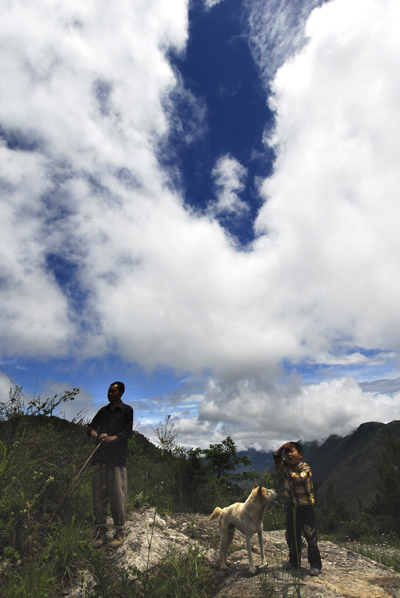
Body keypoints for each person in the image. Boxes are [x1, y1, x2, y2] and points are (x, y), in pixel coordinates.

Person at [87, 381, 133, 548]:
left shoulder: (127, 410)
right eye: (109, 391)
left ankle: (120, 531)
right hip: (100, 457)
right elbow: (90, 426)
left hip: (116, 458)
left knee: (117, 495)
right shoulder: (103, 411)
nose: (110, 393)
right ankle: (100, 531)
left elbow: (127, 432)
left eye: (113, 391)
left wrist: (111, 438)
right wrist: (94, 434)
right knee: (98, 496)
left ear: (121, 393)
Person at [273, 441, 322, 576]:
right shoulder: (287, 466)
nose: (288, 454)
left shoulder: (305, 468)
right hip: (292, 507)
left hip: (305, 508)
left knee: (310, 537)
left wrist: (288, 471)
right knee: (292, 537)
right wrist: (282, 447)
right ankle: (294, 562)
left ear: (300, 455)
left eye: (291, 451)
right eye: (287, 453)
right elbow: (277, 458)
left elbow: (299, 479)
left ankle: (315, 564)